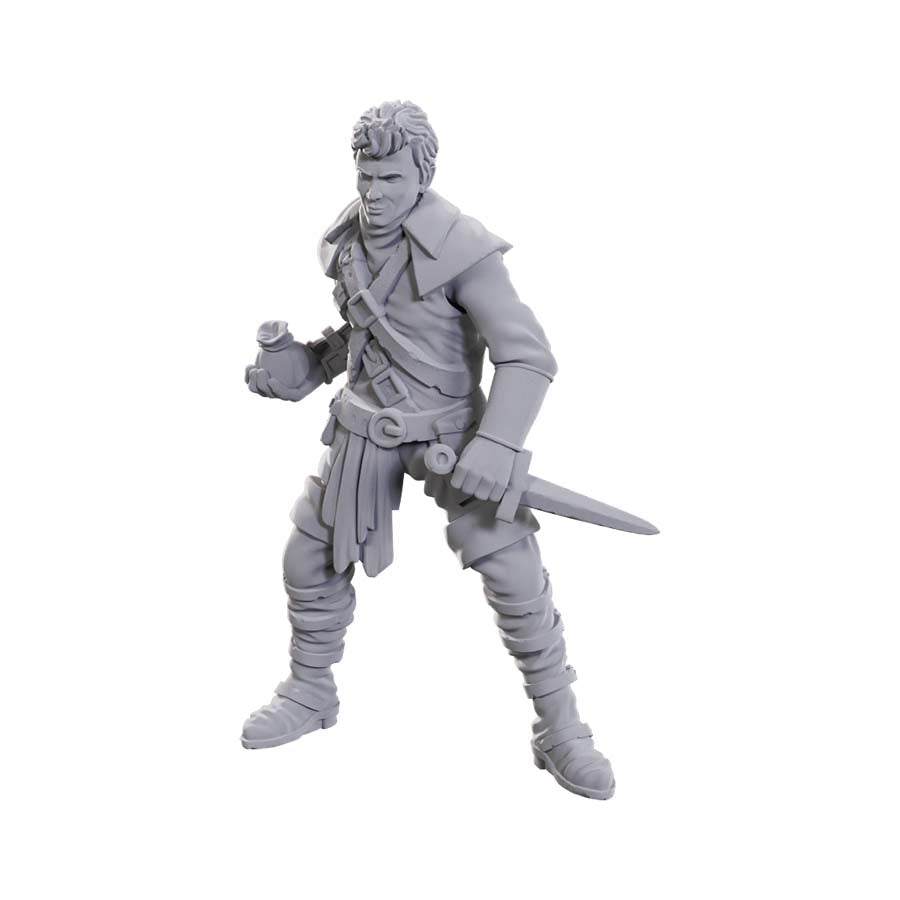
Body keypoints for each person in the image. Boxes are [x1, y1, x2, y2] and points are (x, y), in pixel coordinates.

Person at [241, 100, 616, 800]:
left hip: (451, 436)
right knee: (307, 558)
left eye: (390, 177)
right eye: (366, 176)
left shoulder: (463, 249)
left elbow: (527, 356)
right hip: (363, 429)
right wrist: (301, 367)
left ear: (423, 174)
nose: (374, 193)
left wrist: (496, 442)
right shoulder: (348, 241)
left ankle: (562, 728)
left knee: (513, 573)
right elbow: (362, 337)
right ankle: (310, 690)